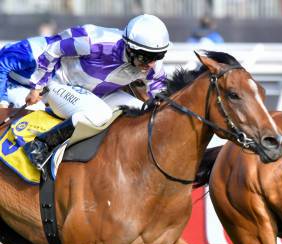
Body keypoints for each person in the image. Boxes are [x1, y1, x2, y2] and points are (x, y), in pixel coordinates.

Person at [18, 14, 169, 169]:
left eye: (158, 56)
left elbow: (159, 89)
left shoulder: (152, 61)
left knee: (144, 113)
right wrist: (36, 86)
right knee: (99, 114)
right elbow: (52, 50)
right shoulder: (95, 42)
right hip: (60, 86)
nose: (151, 64)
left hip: (102, 95)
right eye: (146, 58)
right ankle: (41, 144)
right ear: (130, 49)